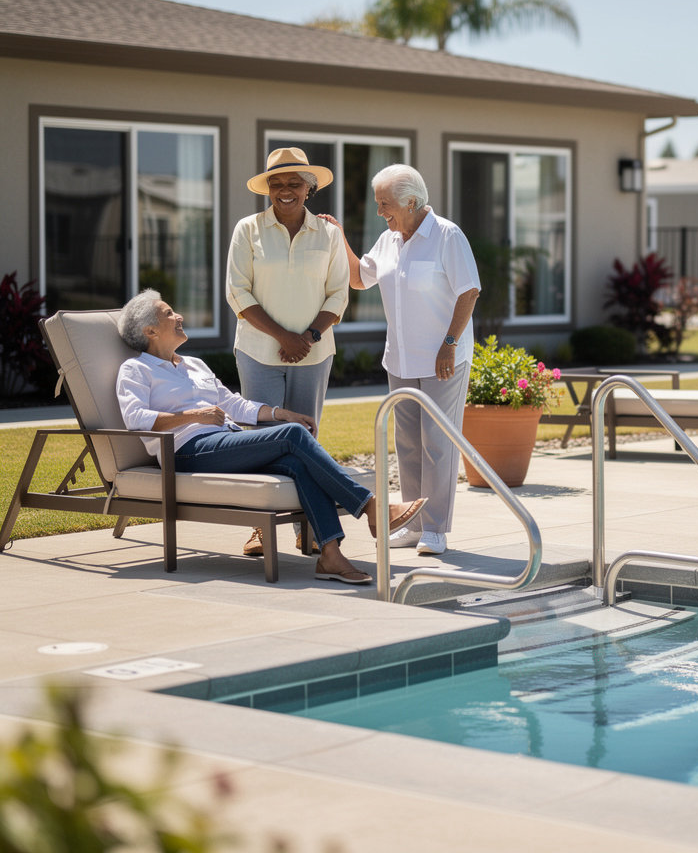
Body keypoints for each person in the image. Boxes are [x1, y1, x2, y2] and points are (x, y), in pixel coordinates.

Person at [114, 290, 424, 586]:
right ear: (150, 331)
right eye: (169, 313)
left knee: (296, 463)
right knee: (292, 436)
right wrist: (195, 416)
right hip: (186, 451)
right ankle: (372, 507)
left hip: (223, 441)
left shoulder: (194, 365)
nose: (179, 316)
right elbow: (135, 418)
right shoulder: (135, 369)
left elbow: (234, 404)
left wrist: (283, 414)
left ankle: (331, 555)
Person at [339, 164, 480, 557]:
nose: (380, 212)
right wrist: (338, 237)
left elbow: (469, 291)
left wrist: (449, 343)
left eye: (385, 204)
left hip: (442, 360)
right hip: (400, 360)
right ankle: (413, 522)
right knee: (408, 445)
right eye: (378, 204)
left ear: (412, 202)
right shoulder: (388, 240)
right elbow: (359, 278)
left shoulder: (447, 236)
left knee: (438, 444)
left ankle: (434, 528)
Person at [226, 146, 347, 558]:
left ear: (309, 188)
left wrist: (307, 337)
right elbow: (237, 292)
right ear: (267, 189)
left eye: (294, 182)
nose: (285, 190)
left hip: (314, 353)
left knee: (306, 441)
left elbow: (338, 294)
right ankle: (259, 529)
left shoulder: (329, 234)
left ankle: (306, 528)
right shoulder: (248, 229)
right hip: (257, 351)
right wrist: (283, 337)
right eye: (276, 183)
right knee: (260, 440)